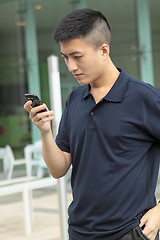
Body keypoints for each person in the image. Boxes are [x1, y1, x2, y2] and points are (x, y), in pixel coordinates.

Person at [24, 8, 160, 240]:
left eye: (77, 57)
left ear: (104, 50)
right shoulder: (75, 99)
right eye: (65, 57)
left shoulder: (144, 98)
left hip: (131, 231)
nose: (71, 66)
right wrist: (45, 131)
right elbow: (58, 170)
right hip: (80, 231)